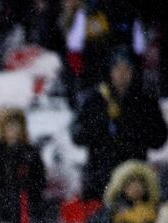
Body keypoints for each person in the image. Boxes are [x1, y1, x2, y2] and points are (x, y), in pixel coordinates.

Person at [71, 52, 167, 201]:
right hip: (100, 176)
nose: (122, 75)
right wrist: (103, 119)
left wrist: (132, 124)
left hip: (134, 177)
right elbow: (77, 136)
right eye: (118, 69)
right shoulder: (95, 99)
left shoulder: (145, 102)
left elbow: (159, 140)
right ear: (110, 71)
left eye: (127, 70)